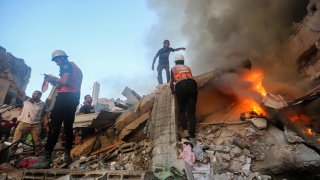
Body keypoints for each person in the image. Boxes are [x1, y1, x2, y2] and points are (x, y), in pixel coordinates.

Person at [32, 50, 83, 168]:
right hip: (74, 98)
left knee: (54, 126)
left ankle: (45, 158)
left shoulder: (66, 65)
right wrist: (56, 83)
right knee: (68, 127)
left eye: (56, 61)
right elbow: (68, 83)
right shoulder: (76, 67)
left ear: (62, 58)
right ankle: (67, 154)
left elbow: (64, 81)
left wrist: (53, 79)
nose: (56, 63)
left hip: (64, 98)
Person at [170, 54, 198, 145]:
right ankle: (193, 137)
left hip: (181, 87)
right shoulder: (187, 67)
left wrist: (173, 91)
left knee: (182, 110)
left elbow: (171, 83)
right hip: (192, 85)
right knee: (192, 113)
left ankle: (185, 131)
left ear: (175, 62)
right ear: (183, 61)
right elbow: (190, 78)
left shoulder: (173, 69)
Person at [10, 90, 46, 155]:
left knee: (37, 141)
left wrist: (45, 121)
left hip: (36, 124)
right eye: (33, 93)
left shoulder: (43, 104)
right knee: (16, 140)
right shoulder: (27, 100)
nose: (33, 95)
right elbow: (19, 92)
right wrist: (13, 82)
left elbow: (44, 113)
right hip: (24, 123)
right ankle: (11, 154)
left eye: (35, 94)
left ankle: (38, 154)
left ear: (40, 96)